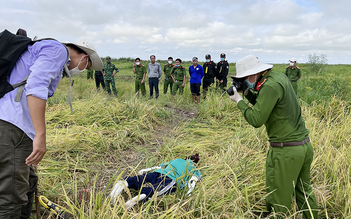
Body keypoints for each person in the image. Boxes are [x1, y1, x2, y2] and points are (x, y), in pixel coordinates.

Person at [0, 39, 103, 218]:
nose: (82, 70)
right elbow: (35, 87)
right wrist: (40, 135)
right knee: (12, 195)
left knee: (29, 181)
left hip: (10, 123)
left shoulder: (38, 49)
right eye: (86, 66)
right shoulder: (57, 50)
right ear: (84, 57)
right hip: (12, 125)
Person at [229, 55, 318, 218]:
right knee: (304, 194)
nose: (244, 81)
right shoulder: (277, 78)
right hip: (303, 147)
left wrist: (239, 100)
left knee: (278, 200)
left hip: (286, 152)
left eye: (244, 78)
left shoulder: (269, 86)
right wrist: (248, 93)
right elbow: (266, 104)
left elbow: (256, 119)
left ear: (253, 74)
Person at [110, 154, 202, 209]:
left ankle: (124, 183)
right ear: (195, 163)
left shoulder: (178, 160)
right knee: (156, 190)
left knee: (142, 178)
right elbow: (193, 181)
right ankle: (141, 197)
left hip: (159, 173)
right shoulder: (195, 169)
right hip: (173, 180)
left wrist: (146, 169)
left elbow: (160, 166)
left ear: (187, 158)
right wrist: (188, 193)